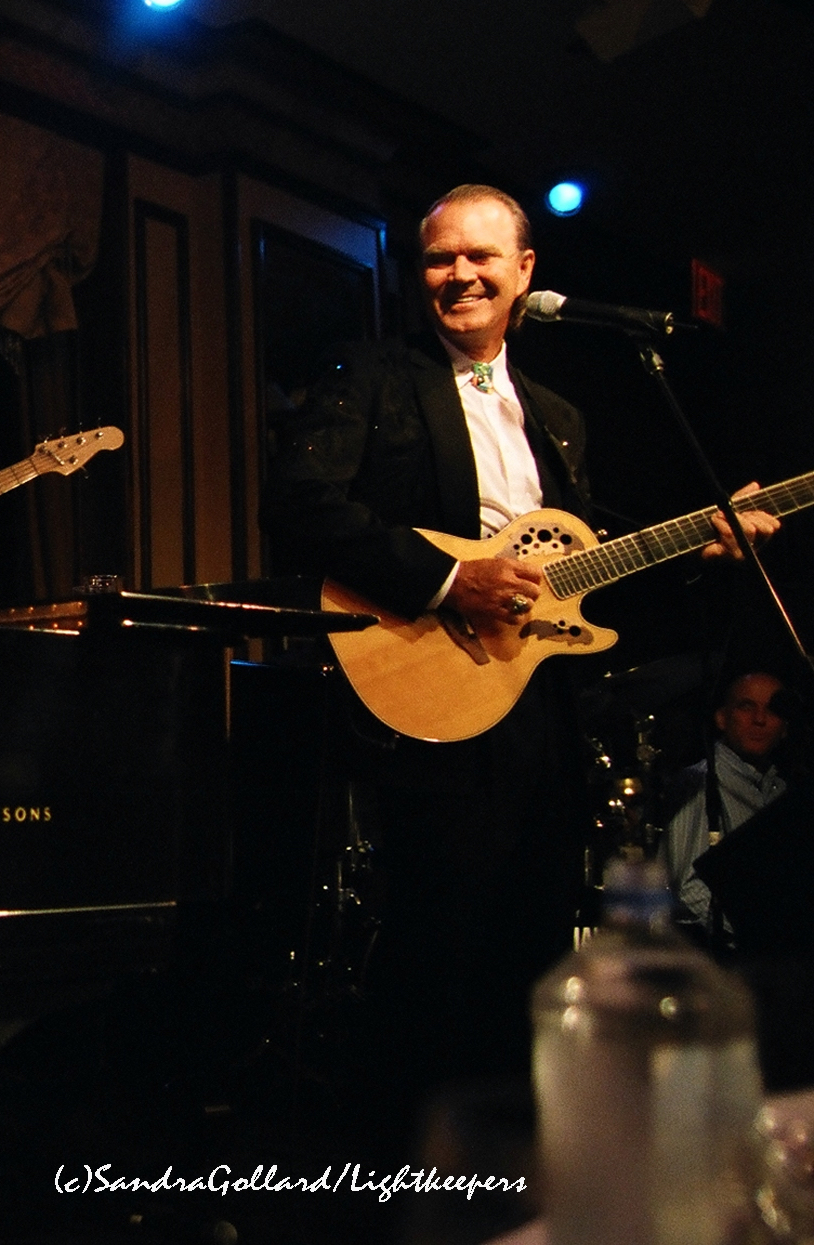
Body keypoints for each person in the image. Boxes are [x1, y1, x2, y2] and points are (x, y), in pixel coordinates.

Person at [262, 184, 777, 1124]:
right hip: (431, 693)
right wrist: (446, 580)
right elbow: (297, 500)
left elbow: (584, 568)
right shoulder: (376, 373)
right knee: (435, 952)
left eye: (480, 257)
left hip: (539, 710)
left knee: (528, 949)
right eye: (437, 258)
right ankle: (405, 1175)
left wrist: (701, 544)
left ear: (526, 272)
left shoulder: (560, 415)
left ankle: (509, 1172)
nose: (457, 274)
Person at [663, 670, 792, 930]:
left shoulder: (781, 789)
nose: (760, 719)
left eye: (773, 710)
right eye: (747, 707)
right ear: (722, 718)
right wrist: (756, 935)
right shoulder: (699, 782)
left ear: (786, 726)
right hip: (723, 960)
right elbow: (687, 887)